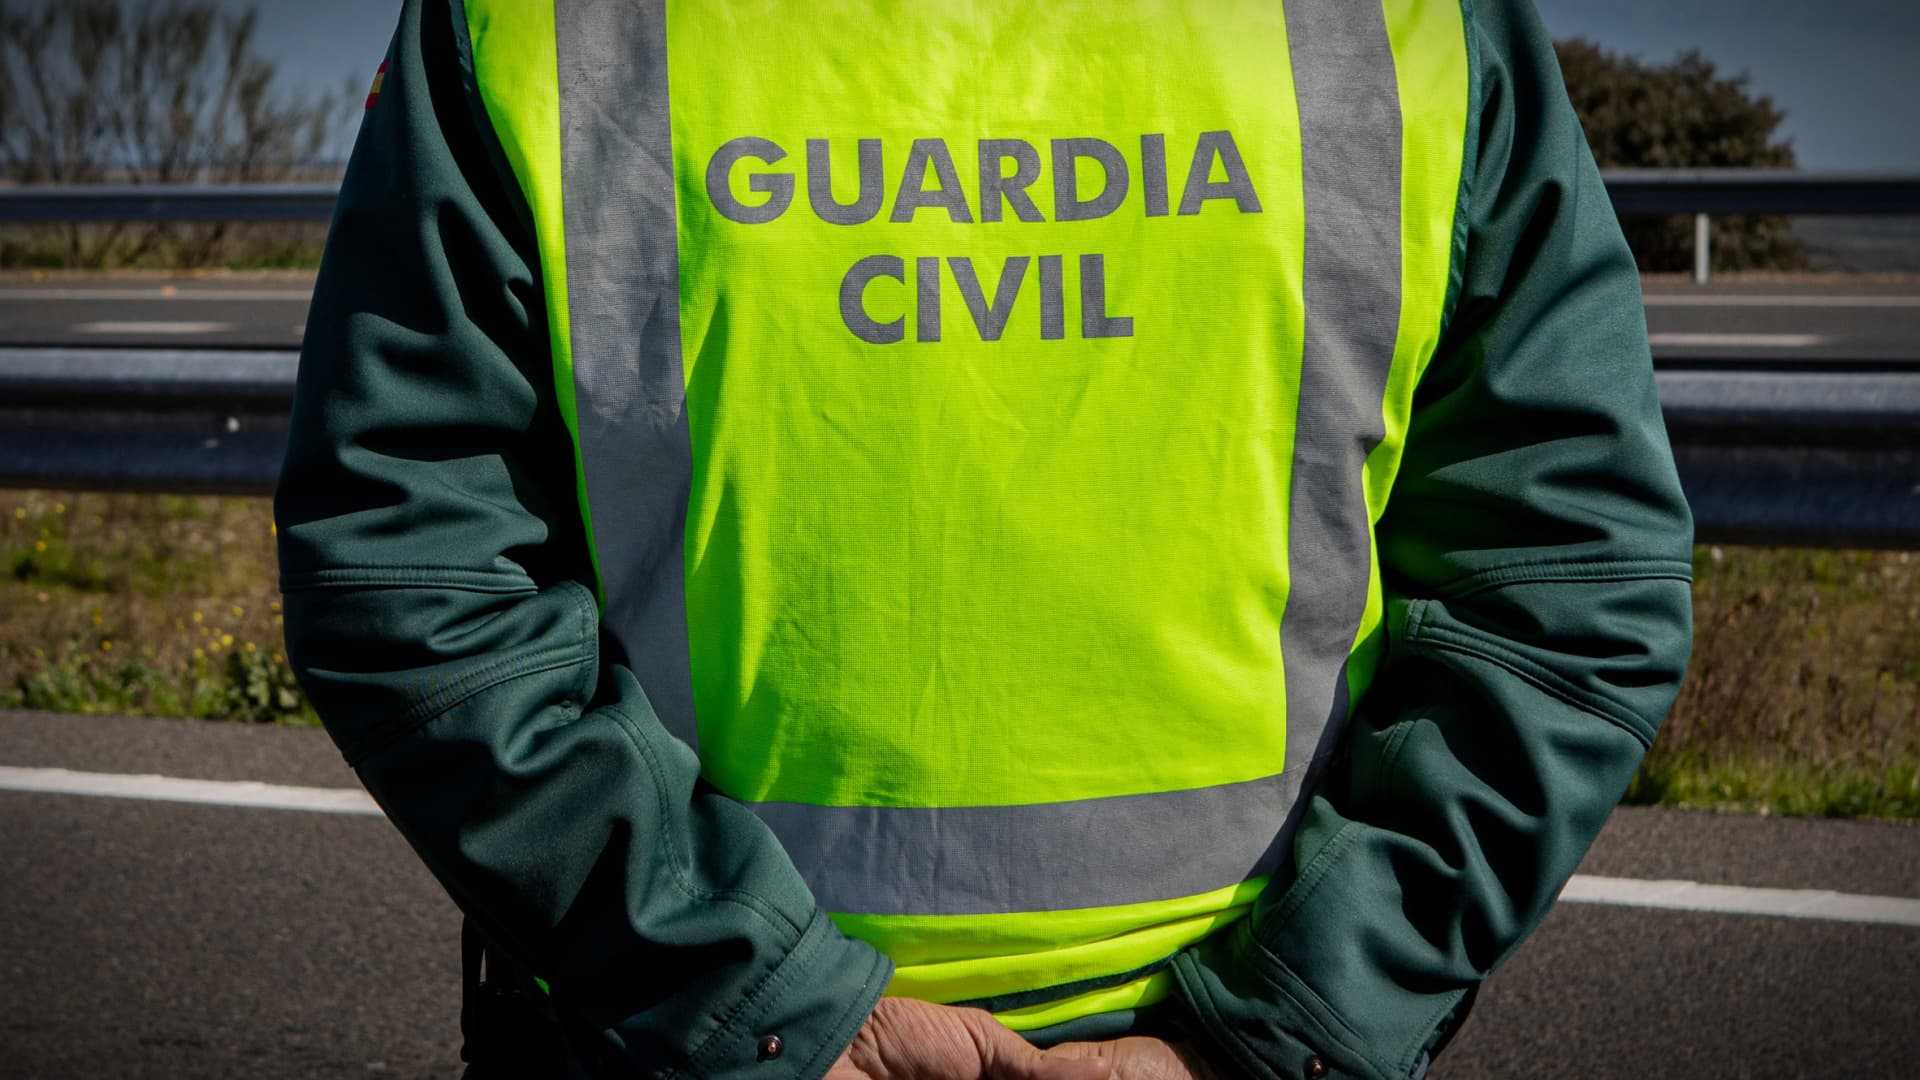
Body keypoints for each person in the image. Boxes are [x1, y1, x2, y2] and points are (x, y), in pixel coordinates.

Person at [274, 0, 1694, 1077]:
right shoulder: (1405, 25)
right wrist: (1287, 1026)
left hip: (677, 1031)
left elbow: (416, 561)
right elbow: (1569, 580)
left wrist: (753, 1007)